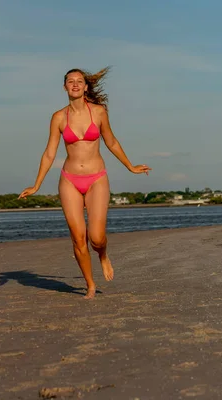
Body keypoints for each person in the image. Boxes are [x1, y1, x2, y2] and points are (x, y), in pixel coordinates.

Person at [18, 67, 151, 299]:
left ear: (86, 86)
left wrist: (130, 166)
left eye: (80, 81)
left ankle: (103, 255)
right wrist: (37, 184)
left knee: (96, 237)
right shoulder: (58, 118)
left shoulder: (98, 113)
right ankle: (90, 285)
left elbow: (111, 142)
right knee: (79, 238)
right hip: (69, 180)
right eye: (71, 81)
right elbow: (50, 153)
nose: (75, 84)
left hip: (96, 178)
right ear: (65, 87)